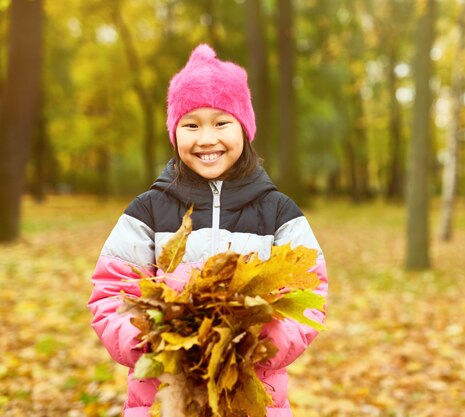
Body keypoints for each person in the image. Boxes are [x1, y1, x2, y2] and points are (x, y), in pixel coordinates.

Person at [87, 44, 328, 417]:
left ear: (244, 129)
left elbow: (308, 295)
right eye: (191, 124)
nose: (206, 138)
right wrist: (152, 342)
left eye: (221, 122)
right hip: (164, 398)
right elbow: (110, 294)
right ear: (175, 132)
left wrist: (261, 343)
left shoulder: (279, 213)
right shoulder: (147, 212)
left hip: (250, 396)